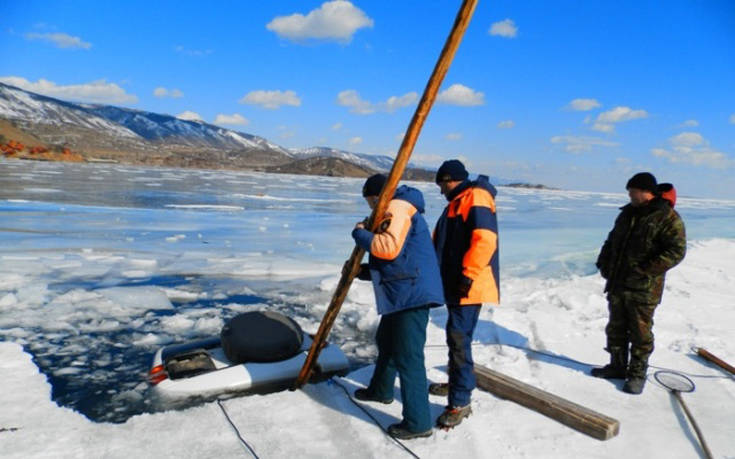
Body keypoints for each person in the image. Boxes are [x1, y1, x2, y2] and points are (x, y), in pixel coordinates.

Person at [350, 173, 444, 440]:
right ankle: (381, 389)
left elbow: (387, 248)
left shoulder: (398, 207)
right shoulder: (397, 207)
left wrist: (360, 234)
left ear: (377, 196)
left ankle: (418, 423)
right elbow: (398, 259)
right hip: (403, 290)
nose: (370, 207)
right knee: (387, 341)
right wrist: (365, 271)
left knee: (408, 356)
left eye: (370, 201)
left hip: (411, 294)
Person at [593, 172, 686, 394]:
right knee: (615, 327)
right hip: (618, 283)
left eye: (633, 192)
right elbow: (612, 239)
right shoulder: (627, 214)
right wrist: (603, 261)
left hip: (644, 289)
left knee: (640, 333)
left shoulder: (667, 218)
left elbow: (676, 251)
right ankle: (617, 366)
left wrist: (644, 270)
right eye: (629, 192)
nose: (630, 195)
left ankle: (637, 374)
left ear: (647, 192)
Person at [430, 159, 499, 428]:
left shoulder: (476, 197)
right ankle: (457, 382)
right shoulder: (458, 201)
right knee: (457, 336)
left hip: (469, 285)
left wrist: (467, 276)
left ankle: (460, 401)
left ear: (450, 180)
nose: (440, 190)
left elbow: (485, 239)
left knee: (459, 338)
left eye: (441, 184)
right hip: (459, 283)